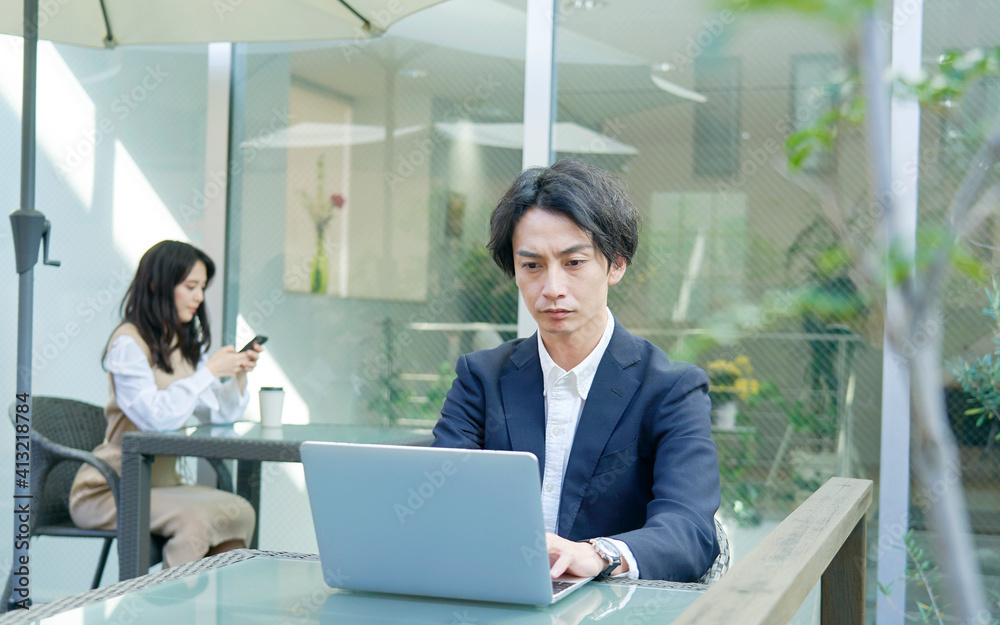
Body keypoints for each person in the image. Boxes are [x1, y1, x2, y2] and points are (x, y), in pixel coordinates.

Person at [432, 160, 721, 582]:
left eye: (573, 262)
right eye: (531, 266)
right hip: (496, 596)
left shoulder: (670, 389)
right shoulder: (481, 378)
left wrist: (599, 555)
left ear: (616, 265)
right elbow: (441, 502)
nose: (552, 288)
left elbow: (690, 531)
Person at [70, 240, 260, 568]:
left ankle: (213, 611)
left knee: (239, 512)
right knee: (198, 521)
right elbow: (156, 419)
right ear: (158, 285)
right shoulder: (129, 343)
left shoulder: (182, 346)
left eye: (202, 287)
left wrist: (237, 374)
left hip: (161, 485)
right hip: (113, 489)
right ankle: (167, 607)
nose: (199, 297)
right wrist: (209, 372)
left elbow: (219, 414)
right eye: (190, 287)